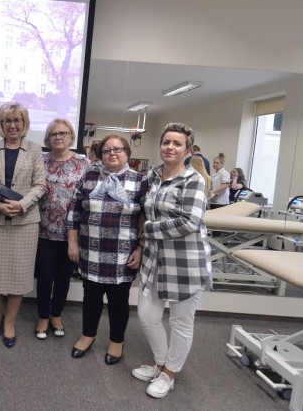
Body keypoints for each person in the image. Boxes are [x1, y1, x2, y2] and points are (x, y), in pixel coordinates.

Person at [132, 122, 211, 399]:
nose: (170, 147)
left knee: (181, 322)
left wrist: (148, 229)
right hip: (154, 259)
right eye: (166, 142)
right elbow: (144, 207)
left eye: (177, 144)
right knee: (147, 316)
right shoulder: (152, 176)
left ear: (187, 151)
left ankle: (169, 373)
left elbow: (190, 222)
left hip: (185, 262)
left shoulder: (194, 180)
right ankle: (160, 363)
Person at [67, 135, 144, 365]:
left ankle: (116, 341)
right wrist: (72, 243)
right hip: (91, 251)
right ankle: (87, 335)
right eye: (107, 150)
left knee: (119, 301)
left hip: (123, 254)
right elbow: (74, 212)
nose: (112, 153)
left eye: (118, 149)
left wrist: (141, 248)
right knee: (91, 297)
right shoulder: (89, 177)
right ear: (100, 155)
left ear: (127, 153)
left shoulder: (140, 181)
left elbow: (146, 218)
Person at [0, 102, 45, 349]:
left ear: (24, 123)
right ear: (1, 124)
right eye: (7, 120)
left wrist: (22, 204)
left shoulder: (35, 150)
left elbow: (40, 185)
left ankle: (10, 322)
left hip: (25, 222)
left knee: (19, 274)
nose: (12, 125)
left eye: (17, 120)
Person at [34, 119, 90, 340]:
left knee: (63, 277)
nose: (58, 137)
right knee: (45, 276)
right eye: (54, 134)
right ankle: (43, 317)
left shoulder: (84, 164)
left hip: (71, 234)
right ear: (48, 138)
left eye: (63, 133)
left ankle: (56, 315)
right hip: (43, 231)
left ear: (71, 137)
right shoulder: (40, 161)